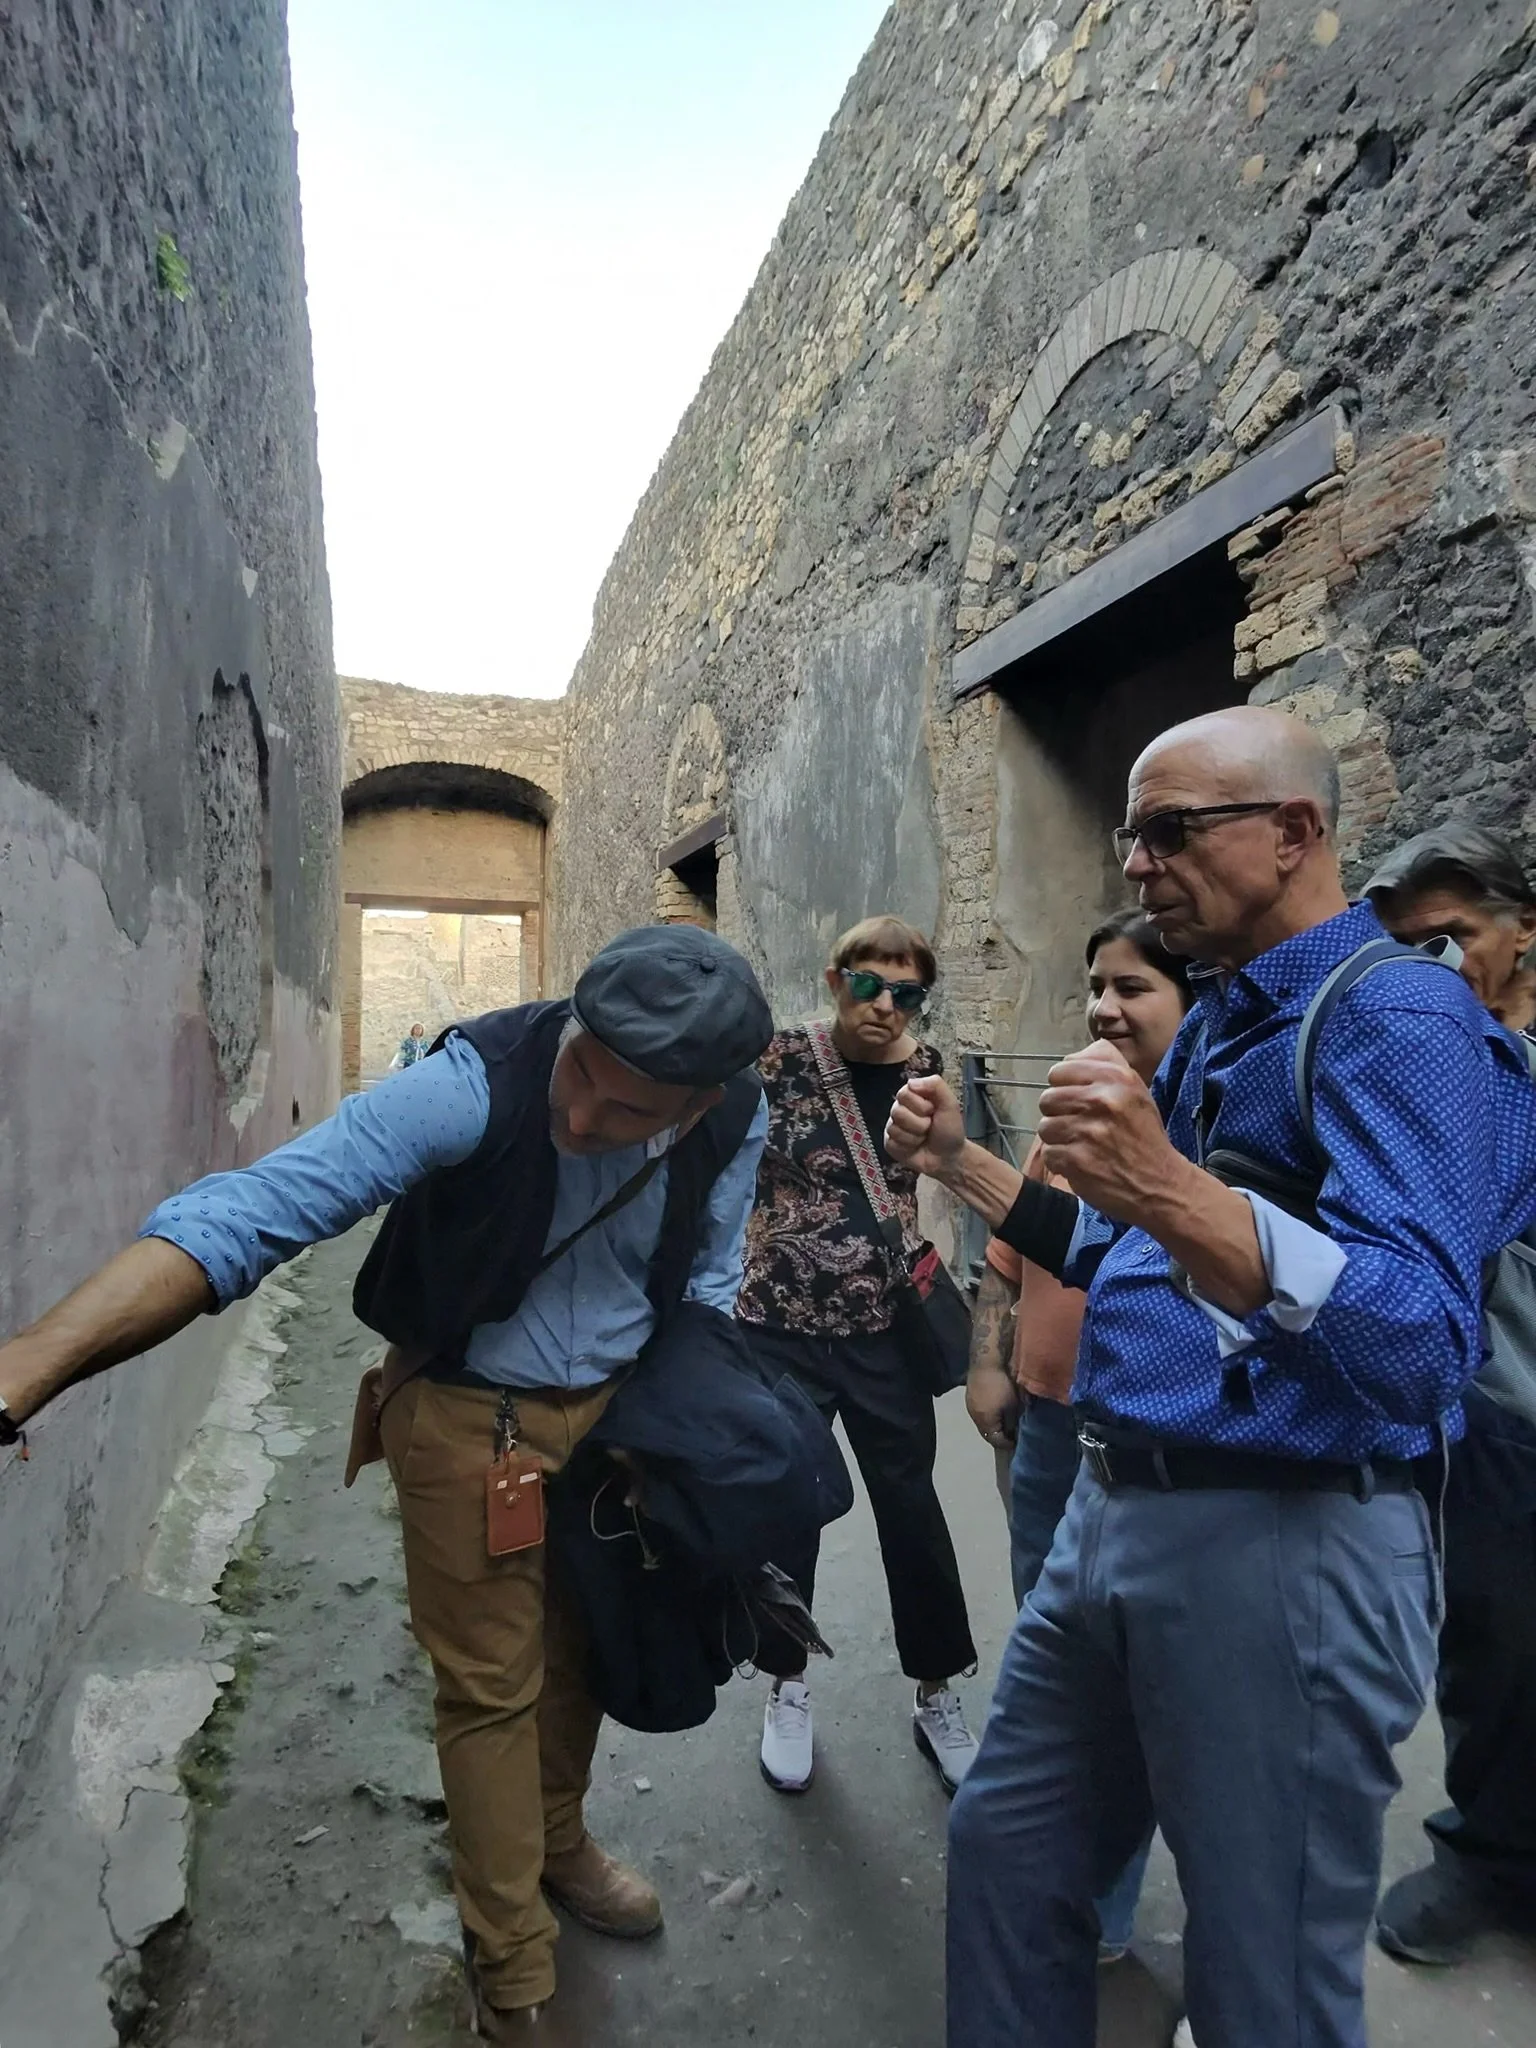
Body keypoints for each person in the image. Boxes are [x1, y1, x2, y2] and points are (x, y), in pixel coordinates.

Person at [884, 706, 1536, 2048]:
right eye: (1133, 833)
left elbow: (1417, 1341)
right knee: (1011, 1860)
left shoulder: (1397, 1014)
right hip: (1119, 1514)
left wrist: (1172, 1190)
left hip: (1282, 1537)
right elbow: (1131, 1261)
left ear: (1296, 834)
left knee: (1264, 1986)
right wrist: (963, 1163)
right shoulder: (1226, 1021)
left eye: (1171, 831)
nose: (1135, 863)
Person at [0, 925, 773, 2046]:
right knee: (492, 1685)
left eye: (626, 1112)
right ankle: (512, 1970)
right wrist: (34, 1358)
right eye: (580, 1075)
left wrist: (693, 1417)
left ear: (696, 1105)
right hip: (468, 1412)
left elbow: (709, 1270)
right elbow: (255, 1208)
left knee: (588, 1647)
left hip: (621, 1420)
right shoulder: (470, 1084)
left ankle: (559, 1841)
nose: (581, 1119)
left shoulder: (736, 1114)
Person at [965, 909, 1192, 1961]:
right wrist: (988, 1359)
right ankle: (1068, 1875)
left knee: (1150, 1692)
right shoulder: (1071, 1120)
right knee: (1055, 1657)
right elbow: (1015, 1256)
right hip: (1051, 1427)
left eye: (1132, 986)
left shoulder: (1209, 1133)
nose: (1103, 1005)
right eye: (1096, 984)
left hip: (1150, 1446)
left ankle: (1116, 1904)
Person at [735, 916, 980, 1797]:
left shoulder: (927, 1072)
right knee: (788, 1508)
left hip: (883, 1329)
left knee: (912, 1510)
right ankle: (786, 1684)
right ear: (836, 979)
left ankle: (937, 1690)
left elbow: (937, 1187)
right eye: (868, 984)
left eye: (906, 992)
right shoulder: (779, 1057)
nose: (885, 1006)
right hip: (780, 1325)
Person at [1364, 823, 1536, 1964]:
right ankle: (1490, 1857)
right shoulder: (1432, 1065)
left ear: (1524, 930)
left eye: (1457, 936)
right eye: (1414, 946)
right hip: (1502, 1414)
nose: (1440, 964)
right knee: (1499, 1648)